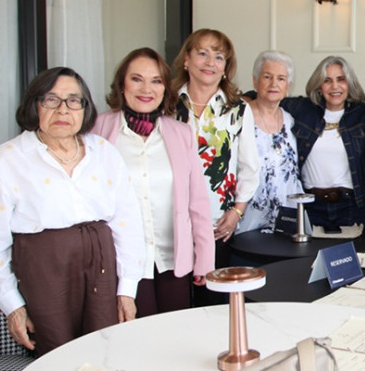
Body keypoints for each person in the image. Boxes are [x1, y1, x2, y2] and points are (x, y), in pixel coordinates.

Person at [0, 67, 145, 355]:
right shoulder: (6, 160)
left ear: (85, 108)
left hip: (101, 269)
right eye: (51, 100)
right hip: (44, 270)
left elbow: (127, 224)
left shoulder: (103, 152)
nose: (63, 109)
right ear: (34, 105)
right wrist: (12, 306)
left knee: (105, 351)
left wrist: (127, 288)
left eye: (74, 100)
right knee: (56, 355)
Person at [92, 47, 215, 316]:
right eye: (137, 79)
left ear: (164, 88)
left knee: (175, 338)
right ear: (122, 85)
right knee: (136, 341)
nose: (146, 88)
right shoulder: (100, 130)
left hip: (172, 260)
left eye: (156, 80)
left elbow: (198, 203)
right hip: (123, 263)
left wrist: (205, 259)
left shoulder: (181, 133)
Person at [171, 29, 260, 306]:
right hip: (171, 224)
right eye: (202, 53)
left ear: (225, 68)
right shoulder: (166, 104)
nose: (210, 62)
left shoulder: (238, 109)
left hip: (217, 226)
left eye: (219, 57)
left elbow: (250, 168)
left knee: (211, 305)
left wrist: (236, 213)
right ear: (187, 59)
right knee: (174, 306)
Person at [280, 56, 365, 230]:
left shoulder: (364, 114)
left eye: (341, 79)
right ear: (319, 86)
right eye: (327, 80)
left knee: (350, 257)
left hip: (351, 206)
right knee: (308, 257)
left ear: (349, 83)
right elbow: (260, 96)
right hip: (309, 204)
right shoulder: (302, 109)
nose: (335, 86)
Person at [235, 50, 303, 234]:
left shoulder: (291, 121)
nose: (274, 84)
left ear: (288, 85)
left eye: (281, 78)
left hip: (287, 223)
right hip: (245, 220)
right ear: (255, 81)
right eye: (267, 77)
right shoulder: (239, 117)